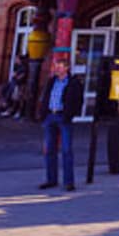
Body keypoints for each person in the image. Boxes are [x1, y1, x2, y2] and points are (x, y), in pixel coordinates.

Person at [39, 59, 83, 191]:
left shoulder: (73, 83)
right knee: (49, 149)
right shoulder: (52, 81)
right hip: (50, 115)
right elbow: (46, 96)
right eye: (56, 66)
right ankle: (51, 179)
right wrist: (43, 113)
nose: (57, 69)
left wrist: (69, 114)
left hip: (63, 117)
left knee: (66, 150)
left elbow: (78, 100)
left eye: (60, 67)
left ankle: (68, 182)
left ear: (66, 68)